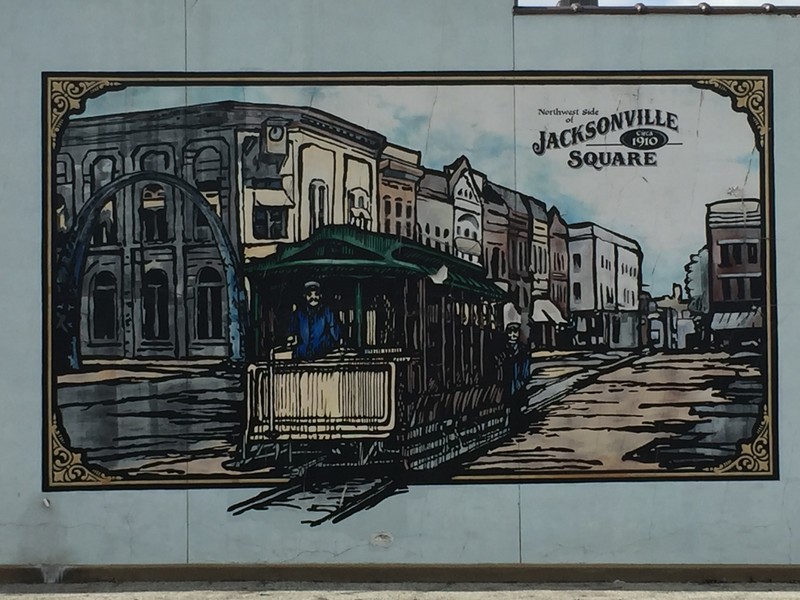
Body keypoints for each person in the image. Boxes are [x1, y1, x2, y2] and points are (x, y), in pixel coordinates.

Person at [287, 281, 341, 360]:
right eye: (309, 295)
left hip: (324, 356)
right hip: (302, 356)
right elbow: (292, 331)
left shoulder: (327, 311)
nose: (313, 298)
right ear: (305, 296)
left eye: (316, 294)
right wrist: (291, 338)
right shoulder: (299, 313)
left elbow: (335, 334)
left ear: (320, 295)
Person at [498, 322, 531, 430]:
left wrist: (524, 378)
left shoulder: (522, 349)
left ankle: (518, 423)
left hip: (518, 380)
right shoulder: (503, 348)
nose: (513, 335)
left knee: (518, 401)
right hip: (507, 380)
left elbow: (526, 365)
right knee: (508, 402)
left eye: (515, 332)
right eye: (510, 332)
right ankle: (509, 422)